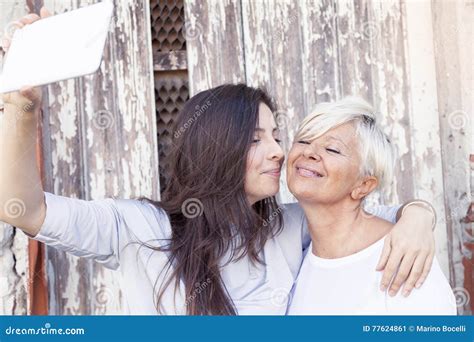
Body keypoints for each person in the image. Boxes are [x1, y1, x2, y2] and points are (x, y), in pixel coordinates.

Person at [0, 10, 437, 315]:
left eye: (278, 137)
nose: (280, 152)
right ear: (217, 149)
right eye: (256, 139)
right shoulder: (138, 229)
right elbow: (23, 207)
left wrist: (420, 215)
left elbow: (368, 212)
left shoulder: (289, 226)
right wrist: (22, 106)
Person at [286, 97, 456, 315]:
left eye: (332, 149)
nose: (308, 152)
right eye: (304, 140)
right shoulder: (292, 255)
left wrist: (420, 213)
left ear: (363, 185)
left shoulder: (403, 257)